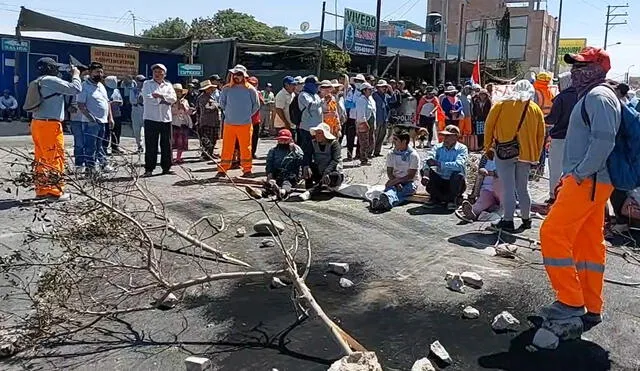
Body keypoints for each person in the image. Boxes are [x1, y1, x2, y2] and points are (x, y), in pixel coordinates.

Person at [539, 47, 620, 340]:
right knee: (588, 246)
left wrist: (578, 174)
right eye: (574, 65)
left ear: (598, 68)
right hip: (593, 182)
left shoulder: (598, 97)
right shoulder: (596, 96)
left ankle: (570, 300)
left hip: (588, 182)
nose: (575, 71)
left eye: (582, 65)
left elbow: (603, 142)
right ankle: (591, 305)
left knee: (552, 234)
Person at [484, 79, 545, 231]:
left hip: (504, 152)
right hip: (526, 155)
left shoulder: (502, 104)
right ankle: (526, 219)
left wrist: (488, 148)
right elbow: (541, 135)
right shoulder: (536, 109)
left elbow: (489, 125)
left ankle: (508, 220)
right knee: (523, 188)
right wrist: (535, 156)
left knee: (508, 187)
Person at [28, 57, 82, 200]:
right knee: (55, 157)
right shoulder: (50, 81)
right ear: (51, 68)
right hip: (50, 125)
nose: (58, 70)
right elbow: (76, 89)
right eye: (55, 67)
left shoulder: (38, 81)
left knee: (41, 159)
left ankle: (42, 190)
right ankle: (55, 192)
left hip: (37, 123)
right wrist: (76, 74)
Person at [217, 64, 259, 177]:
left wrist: (247, 115)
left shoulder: (251, 89)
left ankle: (247, 170)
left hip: (245, 124)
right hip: (229, 123)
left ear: (244, 76)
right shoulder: (226, 89)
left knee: (246, 148)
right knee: (227, 147)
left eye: (239, 74)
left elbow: (256, 105)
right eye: (235, 74)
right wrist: (229, 114)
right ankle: (222, 169)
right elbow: (222, 104)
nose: (237, 76)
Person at [545, 72, 578, 204]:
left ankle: (554, 196)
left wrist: (542, 119)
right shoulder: (582, 95)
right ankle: (569, 195)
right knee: (571, 170)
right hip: (577, 139)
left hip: (560, 138)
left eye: (559, 83)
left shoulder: (562, 98)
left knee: (556, 168)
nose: (558, 86)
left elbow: (553, 118)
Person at [76, 62, 114, 175]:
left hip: (103, 121)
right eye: (97, 72)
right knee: (90, 147)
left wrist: (110, 118)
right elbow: (81, 105)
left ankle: (103, 164)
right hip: (90, 123)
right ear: (90, 72)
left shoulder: (101, 86)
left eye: (101, 72)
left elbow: (107, 103)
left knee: (100, 145)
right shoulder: (84, 86)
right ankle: (90, 168)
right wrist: (91, 118)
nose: (100, 74)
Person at [421, 125, 468, 210]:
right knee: (425, 170)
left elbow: (459, 165)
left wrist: (439, 164)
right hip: (441, 179)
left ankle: (452, 200)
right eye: (445, 136)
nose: (445, 138)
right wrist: (426, 173)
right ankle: (434, 197)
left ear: (455, 137)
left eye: (448, 136)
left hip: (454, 183)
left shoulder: (462, 148)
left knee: (458, 174)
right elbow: (428, 159)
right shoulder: (437, 147)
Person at [371, 130, 420, 211]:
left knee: (406, 189)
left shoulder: (413, 155)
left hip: (409, 182)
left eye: (396, 140)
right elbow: (389, 171)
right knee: (392, 189)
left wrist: (397, 181)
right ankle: (386, 202)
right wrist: (396, 183)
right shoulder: (391, 153)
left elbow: (411, 175)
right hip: (395, 180)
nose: (393, 142)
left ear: (404, 141)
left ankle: (384, 201)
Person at [142, 63, 177, 177]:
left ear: (164, 74)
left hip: (166, 119)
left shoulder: (168, 85)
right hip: (151, 118)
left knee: (166, 144)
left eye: (160, 72)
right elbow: (148, 98)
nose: (157, 74)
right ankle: (149, 168)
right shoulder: (147, 84)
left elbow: (173, 99)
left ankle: (166, 167)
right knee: (151, 144)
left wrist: (161, 97)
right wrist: (164, 100)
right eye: (155, 72)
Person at [458, 149, 502, 222]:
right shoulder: (486, 155)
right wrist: (482, 170)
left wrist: (494, 173)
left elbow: (509, 172)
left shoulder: (508, 156)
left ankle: (503, 210)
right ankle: (473, 212)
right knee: (481, 204)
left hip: (502, 189)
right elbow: (481, 167)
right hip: (487, 189)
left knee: (498, 182)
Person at [302, 122, 344, 194]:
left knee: (334, 176)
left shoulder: (334, 144)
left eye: (319, 133)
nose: (317, 136)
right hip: (319, 170)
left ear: (325, 134)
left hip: (332, 171)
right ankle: (309, 189)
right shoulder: (313, 143)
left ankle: (311, 191)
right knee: (307, 169)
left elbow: (335, 160)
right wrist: (306, 165)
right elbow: (307, 155)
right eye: (316, 133)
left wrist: (327, 172)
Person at [264, 129, 304, 199]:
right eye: (281, 140)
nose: (283, 142)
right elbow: (269, 163)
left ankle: (282, 192)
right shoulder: (273, 150)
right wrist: (269, 173)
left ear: (290, 140)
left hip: (292, 173)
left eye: (285, 140)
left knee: (287, 182)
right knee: (270, 183)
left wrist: (294, 152)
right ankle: (261, 193)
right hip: (278, 172)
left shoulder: (296, 149)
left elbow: (301, 161)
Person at [298, 75, 324, 170]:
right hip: (307, 128)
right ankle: (304, 169)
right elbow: (311, 105)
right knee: (307, 150)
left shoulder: (316, 95)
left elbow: (321, 107)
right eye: (315, 85)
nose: (317, 87)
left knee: (315, 151)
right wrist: (322, 101)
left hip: (317, 128)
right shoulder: (303, 95)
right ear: (309, 85)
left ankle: (313, 170)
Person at [196, 80, 222, 160]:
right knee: (208, 139)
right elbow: (206, 108)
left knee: (213, 138)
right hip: (207, 122)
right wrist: (216, 106)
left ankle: (210, 153)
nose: (211, 90)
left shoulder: (210, 97)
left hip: (213, 121)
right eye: (209, 88)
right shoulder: (202, 98)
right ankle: (206, 154)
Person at [345, 74, 366, 161]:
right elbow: (347, 103)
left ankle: (358, 154)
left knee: (360, 138)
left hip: (361, 118)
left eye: (360, 81)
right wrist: (357, 104)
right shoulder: (351, 91)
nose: (358, 83)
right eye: (357, 81)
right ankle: (349, 154)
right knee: (350, 137)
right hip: (352, 117)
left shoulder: (365, 93)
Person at [355, 82, 376, 166]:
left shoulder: (370, 99)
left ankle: (367, 156)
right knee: (364, 142)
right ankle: (363, 159)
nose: (371, 91)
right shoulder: (361, 100)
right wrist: (364, 123)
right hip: (364, 122)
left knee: (370, 140)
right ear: (364, 90)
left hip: (370, 122)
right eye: (369, 89)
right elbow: (361, 113)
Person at [171, 84, 193, 164]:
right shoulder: (171, 101)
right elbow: (169, 112)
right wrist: (177, 107)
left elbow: (188, 112)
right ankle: (171, 158)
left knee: (181, 142)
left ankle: (178, 158)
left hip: (183, 123)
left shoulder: (185, 101)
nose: (178, 93)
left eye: (180, 91)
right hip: (174, 123)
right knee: (172, 142)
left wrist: (184, 107)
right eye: (177, 91)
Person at [105, 76, 123, 154]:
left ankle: (115, 147)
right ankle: (104, 148)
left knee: (117, 132)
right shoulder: (104, 90)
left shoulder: (116, 90)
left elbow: (121, 101)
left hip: (117, 114)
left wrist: (119, 102)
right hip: (107, 115)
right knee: (106, 132)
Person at [248, 76, 265, 159]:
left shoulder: (258, 93)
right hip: (246, 120)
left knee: (254, 138)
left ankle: (252, 153)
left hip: (255, 120)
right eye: (251, 83)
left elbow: (262, 102)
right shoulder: (245, 92)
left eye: (254, 84)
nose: (253, 85)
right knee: (246, 139)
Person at [372, 80, 390, 157]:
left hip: (384, 118)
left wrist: (391, 90)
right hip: (377, 118)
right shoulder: (374, 95)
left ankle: (377, 151)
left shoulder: (386, 96)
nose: (385, 88)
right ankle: (370, 151)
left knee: (382, 135)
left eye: (385, 87)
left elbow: (394, 100)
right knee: (375, 136)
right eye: (383, 87)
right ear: (378, 87)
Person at [130, 75, 146, 153]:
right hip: (136, 110)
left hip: (145, 111)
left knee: (143, 130)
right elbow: (132, 100)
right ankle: (139, 145)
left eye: (143, 81)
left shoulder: (146, 90)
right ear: (136, 81)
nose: (141, 82)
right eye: (140, 80)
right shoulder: (133, 90)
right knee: (136, 130)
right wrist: (138, 100)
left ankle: (142, 145)